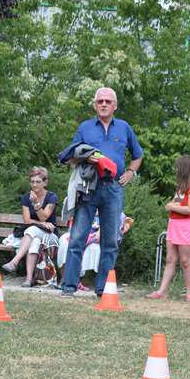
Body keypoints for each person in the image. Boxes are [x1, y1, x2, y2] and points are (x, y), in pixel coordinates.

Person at [57, 87, 143, 296]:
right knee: (77, 237)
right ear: (95, 105)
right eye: (100, 101)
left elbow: (138, 154)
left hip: (113, 188)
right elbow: (70, 157)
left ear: (115, 105)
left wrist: (130, 172)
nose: (103, 104)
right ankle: (69, 286)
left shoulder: (124, 127)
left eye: (107, 101)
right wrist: (87, 156)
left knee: (110, 240)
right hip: (89, 186)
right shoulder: (85, 127)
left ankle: (103, 289)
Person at [148, 155, 190, 301]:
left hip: (185, 226)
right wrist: (172, 205)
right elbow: (172, 203)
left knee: (185, 260)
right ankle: (161, 291)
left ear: (184, 169)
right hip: (173, 224)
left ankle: (189, 293)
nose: (176, 170)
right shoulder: (180, 187)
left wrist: (172, 206)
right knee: (170, 258)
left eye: (178, 167)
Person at [2, 166, 59, 287]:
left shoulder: (52, 197)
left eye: (38, 181)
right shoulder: (26, 197)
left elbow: (44, 217)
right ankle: (28, 279)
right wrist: (41, 224)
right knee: (34, 242)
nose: (34, 185)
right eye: (32, 181)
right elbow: (27, 220)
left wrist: (36, 204)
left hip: (50, 234)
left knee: (32, 229)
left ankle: (15, 261)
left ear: (45, 182)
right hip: (33, 234)